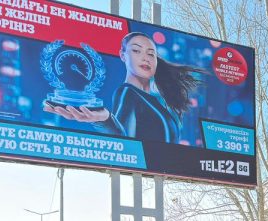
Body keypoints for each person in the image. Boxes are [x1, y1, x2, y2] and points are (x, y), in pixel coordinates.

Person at [44, 31, 200, 143]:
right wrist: (104, 119)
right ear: (122, 55)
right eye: (137, 50)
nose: (145, 58)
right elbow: (125, 145)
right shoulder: (127, 93)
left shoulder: (157, 100)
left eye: (151, 53)